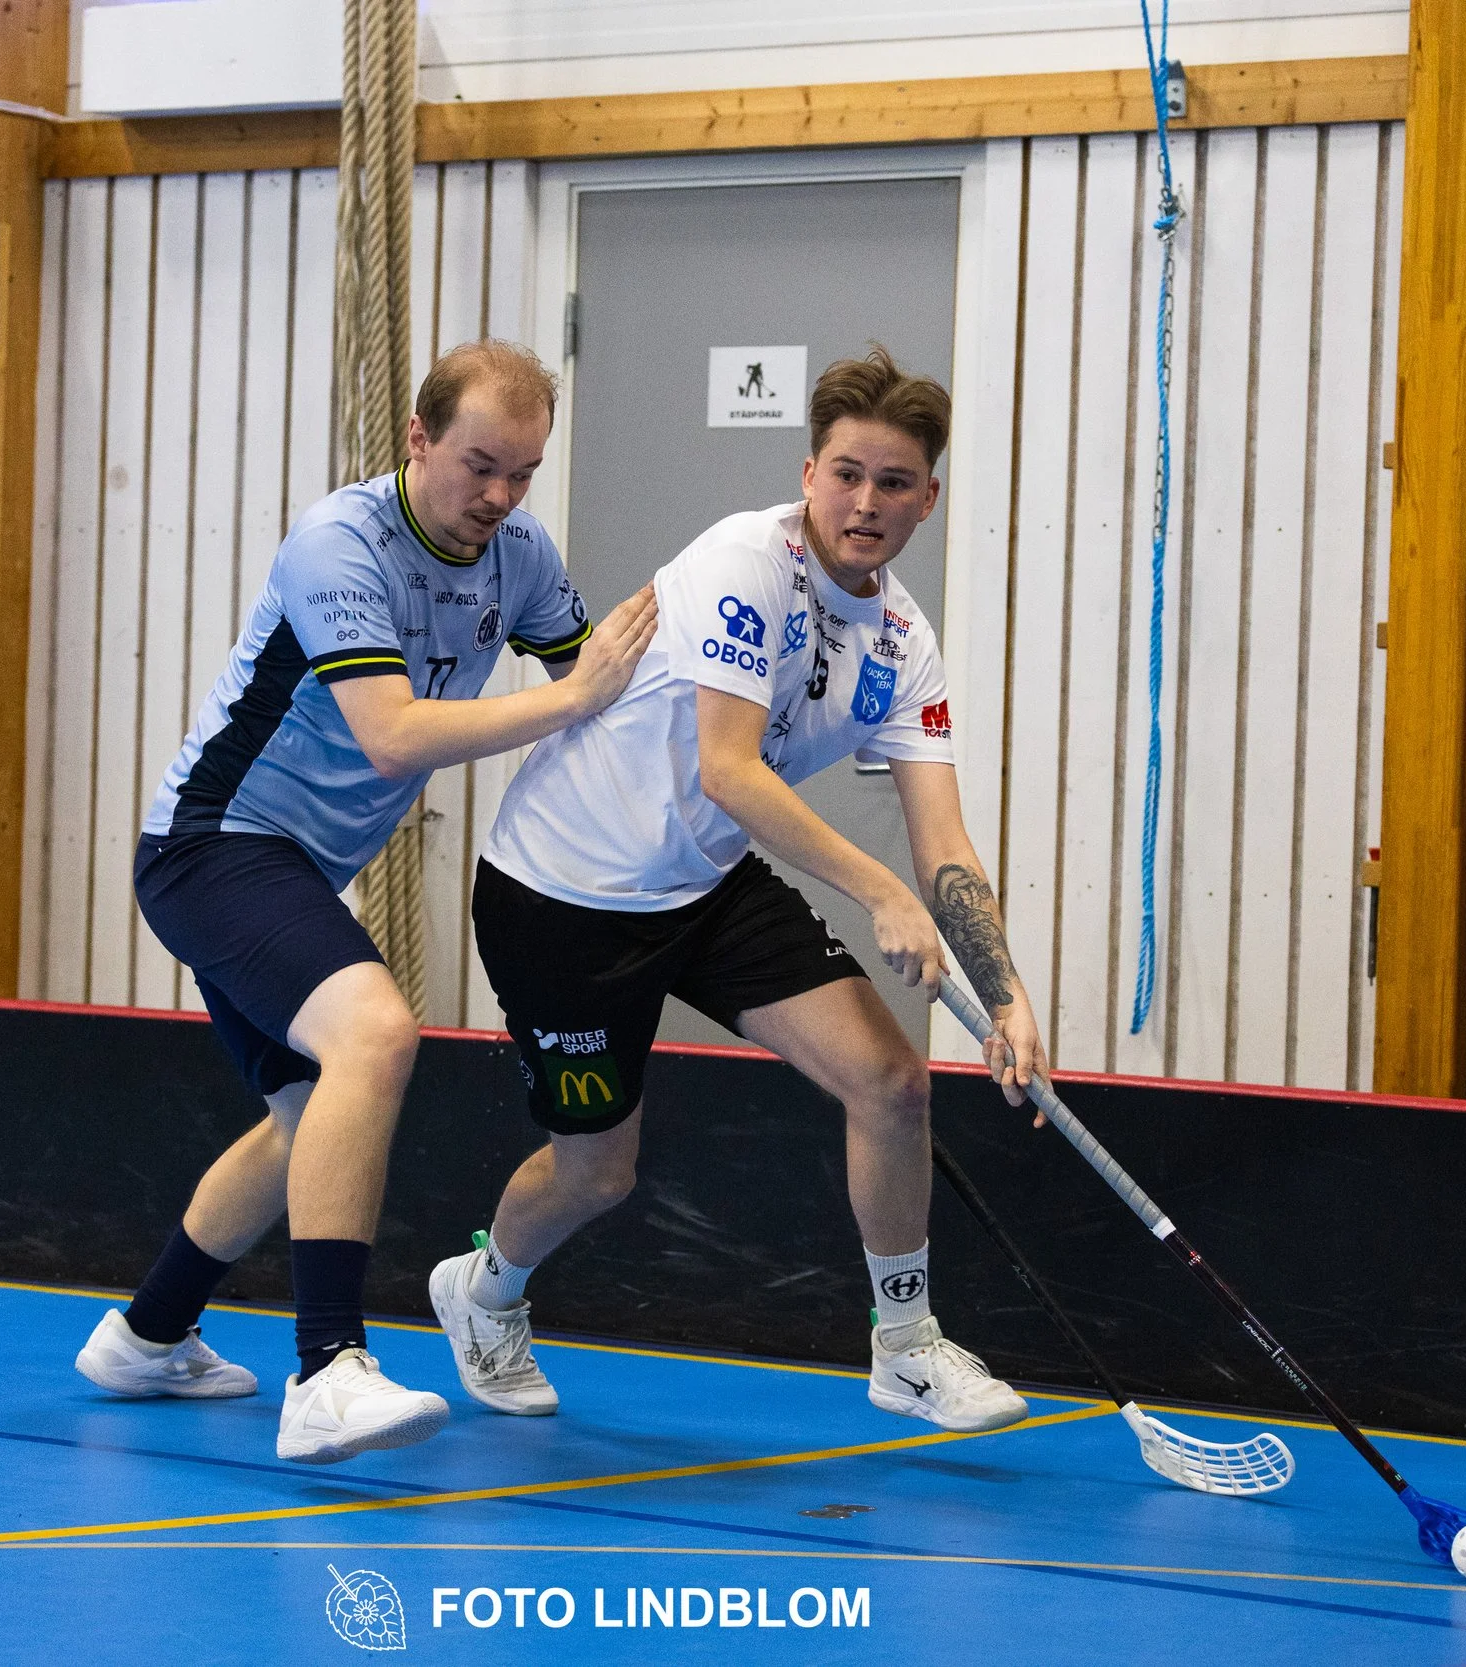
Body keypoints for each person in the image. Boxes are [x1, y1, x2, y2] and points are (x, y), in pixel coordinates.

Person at [429, 347, 1048, 1433]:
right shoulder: (743, 561)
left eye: (893, 483)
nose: (866, 502)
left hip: (704, 878)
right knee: (597, 1172)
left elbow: (944, 844)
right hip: (562, 891)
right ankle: (481, 1292)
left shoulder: (905, 644)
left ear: (926, 500)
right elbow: (730, 766)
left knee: (893, 1081)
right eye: (847, 473)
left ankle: (904, 1344)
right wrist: (875, 892)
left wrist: (1006, 994)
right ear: (809, 473)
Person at [71, 339, 657, 1465]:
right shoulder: (337, 542)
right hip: (214, 845)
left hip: (293, 869)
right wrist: (573, 697)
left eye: (524, 472)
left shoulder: (517, 555)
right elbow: (391, 736)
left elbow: (602, 695)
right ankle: (327, 1368)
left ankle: (145, 1334)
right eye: (478, 463)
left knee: (306, 1118)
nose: (498, 496)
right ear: (418, 438)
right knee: (378, 1033)